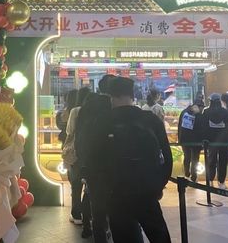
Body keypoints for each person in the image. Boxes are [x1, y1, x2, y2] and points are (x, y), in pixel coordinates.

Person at [86, 77, 173, 243]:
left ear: (111, 96)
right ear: (132, 95)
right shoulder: (150, 119)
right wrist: (157, 185)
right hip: (147, 192)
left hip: (116, 195)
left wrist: (103, 191)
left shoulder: (103, 121)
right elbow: (167, 158)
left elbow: (94, 160)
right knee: (159, 237)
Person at [75, 92, 113, 240]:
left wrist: (83, 165)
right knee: (109, 206)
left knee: (95, 207)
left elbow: (79, 144)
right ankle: (107, 230)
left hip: (91, 169)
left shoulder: (84, 118)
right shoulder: (107, 120)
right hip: (108, 170)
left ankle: (95, 231)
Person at [62, 87, 92, 225]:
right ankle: (88, 214)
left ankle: (76, 215)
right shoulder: (93, 110)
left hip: (76, 151)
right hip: (90, 151)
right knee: (89, 184)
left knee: (76, 185)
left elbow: (70, 131)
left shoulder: (75, 111)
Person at [202, 93, 228, 189]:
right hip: (224, 141)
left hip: (211, 141)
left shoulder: (206, 111)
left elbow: (204, 126)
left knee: (211, 160)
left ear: (211, 101)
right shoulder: (225, 112)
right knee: (223, 161)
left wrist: (205, 139)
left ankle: (210, 180)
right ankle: (221, 182)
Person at [178, 99, 205, 181]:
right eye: (202, 108)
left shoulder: (184, 112)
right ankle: (193, 177)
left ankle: (187, 174)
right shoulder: (198, 115)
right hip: (196, 141)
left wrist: (180, 139)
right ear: (198, 106)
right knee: (195, 159)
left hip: (185, 140)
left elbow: (180, 127)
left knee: (187, 157)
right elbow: (201, 128)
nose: (202, 110)